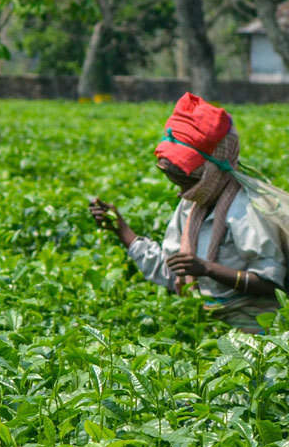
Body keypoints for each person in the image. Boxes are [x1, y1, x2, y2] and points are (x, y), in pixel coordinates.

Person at [90, 92, 287, 333]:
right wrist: (122, 230)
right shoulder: (193, 205)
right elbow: (174, 272)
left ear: (213, 168)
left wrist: (207, 269)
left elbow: (271, 284)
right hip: (205, 324)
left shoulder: (246, 210)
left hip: (254, 331)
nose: (181, 189)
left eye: (185, 178)